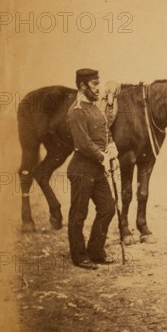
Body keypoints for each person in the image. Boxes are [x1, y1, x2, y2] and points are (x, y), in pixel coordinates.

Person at [67, 68, 118, 270]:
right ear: (82, 86)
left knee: (108, 208)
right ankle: (79, 256)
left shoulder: (95, 108)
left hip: (97, 168)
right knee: (79, 214)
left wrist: (112, 145)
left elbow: (105, 131)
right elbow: (82, 142)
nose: (98, 88)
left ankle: (96, 251)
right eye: (94, 84)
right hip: (81, 169)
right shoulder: (77, 110)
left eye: (99, 83)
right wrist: (102, 157)